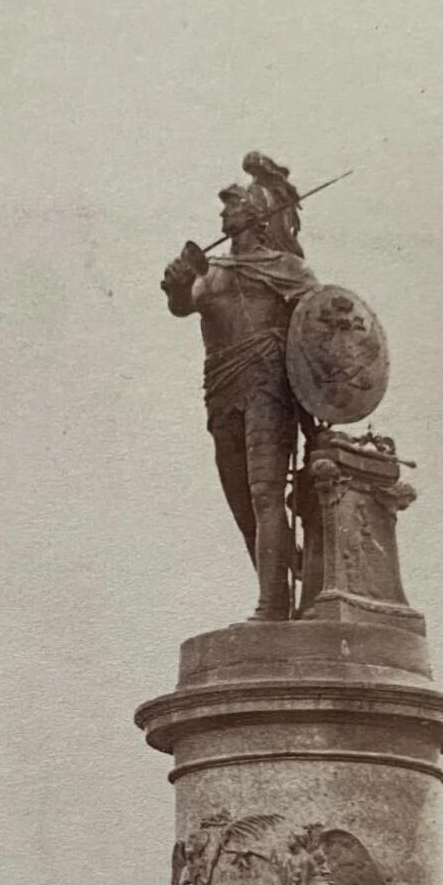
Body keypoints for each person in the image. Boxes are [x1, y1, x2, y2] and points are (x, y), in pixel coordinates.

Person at [161, 155, 318, 620]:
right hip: (221, 389)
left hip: (266, 385)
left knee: (265, 493)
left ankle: (272, 605)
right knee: (241, 501)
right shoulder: (211, 271)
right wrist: (177, 283)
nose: (223, 212)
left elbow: (319, 323)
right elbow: (181, 306)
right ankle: (280, 584)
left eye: (233, 204)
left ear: (258, 213)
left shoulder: (287, 268)